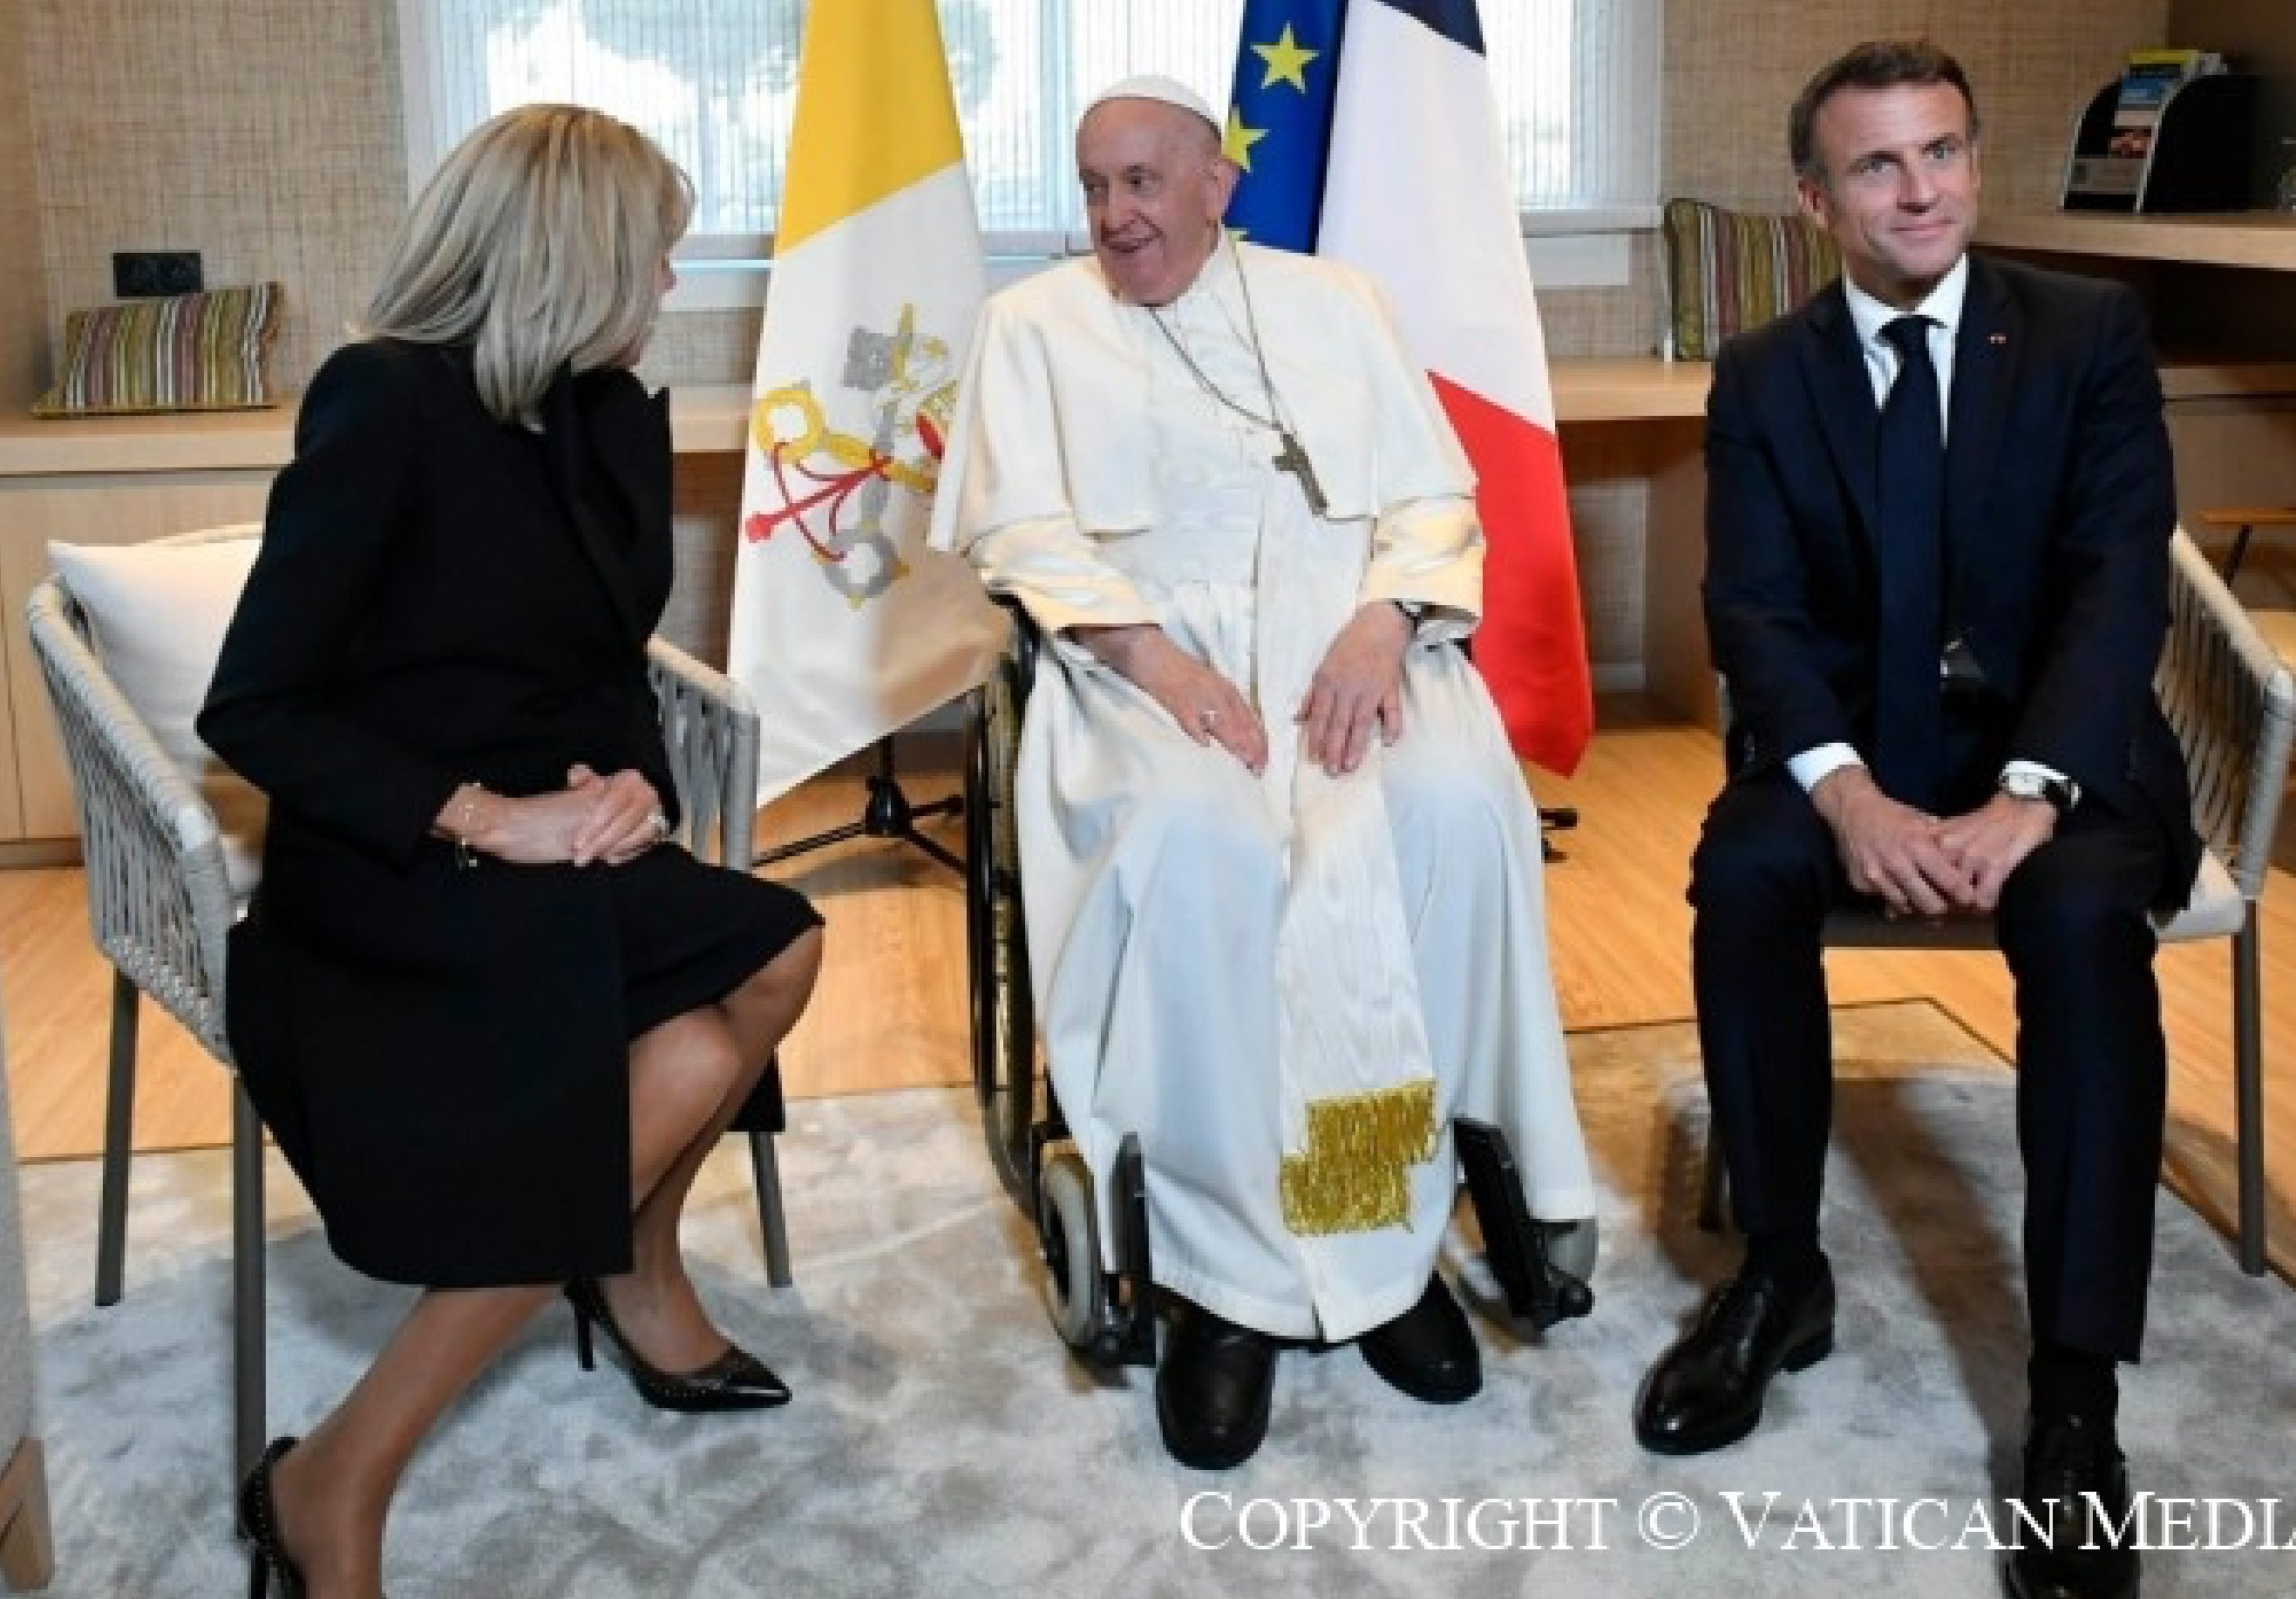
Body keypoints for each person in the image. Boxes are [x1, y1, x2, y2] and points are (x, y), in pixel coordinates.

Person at [199, 105, 825, 1599]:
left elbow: (607, 665)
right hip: (399, 865)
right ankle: (338, 1474)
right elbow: (255, 708)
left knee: (776, 948)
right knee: (670, 1045)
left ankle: (628, 1263)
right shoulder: (383, 405)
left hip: (559, 840)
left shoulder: (589, 411)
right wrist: (490, 816)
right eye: (654, 253)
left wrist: (631, 787)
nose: (667, 283)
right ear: (569, 255)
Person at [930, 77, 1594, 1471]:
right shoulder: (1029, 326)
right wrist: (1157, 662)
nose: (1114, 215)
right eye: (1094, 186)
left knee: (1445, 809)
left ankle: (1384, 1236)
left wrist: (1382, 621)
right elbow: (1021, 536)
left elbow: (1431, 496)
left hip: (1347, 641)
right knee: (1206, 847)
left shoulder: (1335, 302)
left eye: (1142, 181)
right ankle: (1220, 1273)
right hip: (1140, 658)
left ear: (1215, 182)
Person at [1631, 41, 2198, 1599]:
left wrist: (2029, 789)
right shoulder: (1764, 372)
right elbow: (1750, 607)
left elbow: (2118, 583)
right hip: (1855, 746)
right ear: (1816, 201)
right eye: (1876, 165)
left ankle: (2073, 1391)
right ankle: (1779, 1273)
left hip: (2053, 751)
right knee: (1745, 871)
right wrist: (1843, 790)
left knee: (2079, 916)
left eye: (1940, 151)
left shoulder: (2085, 332)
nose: (1919, 189)